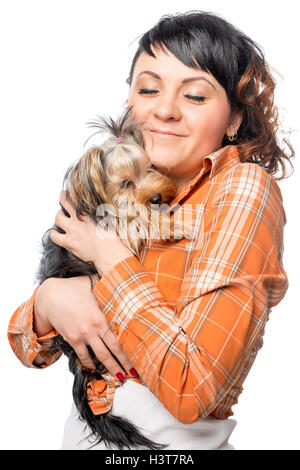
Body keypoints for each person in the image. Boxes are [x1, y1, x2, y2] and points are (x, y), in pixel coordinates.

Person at [7, 11, 293, 450]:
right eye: (148, 88)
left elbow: (190, 389)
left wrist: (106, 256)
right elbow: (27, 346)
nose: (163, 109)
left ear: (234, 118)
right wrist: (50, 298)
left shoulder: (241, 190)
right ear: (129, 100)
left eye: (195, 96)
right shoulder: (114, 177)